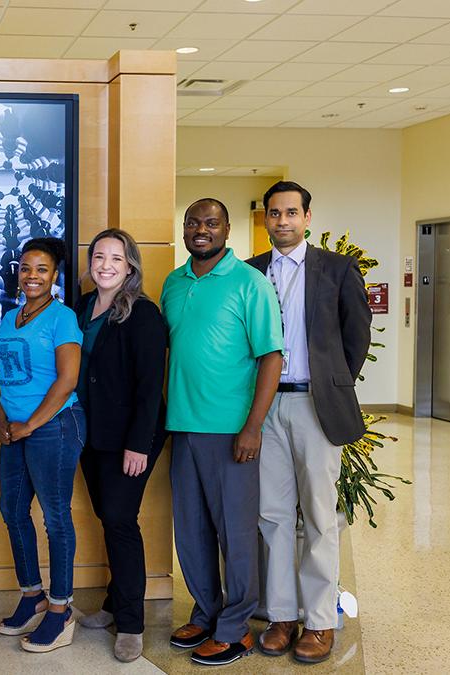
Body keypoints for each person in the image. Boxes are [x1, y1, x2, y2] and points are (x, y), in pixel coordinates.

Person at [247, 182, 372, 664]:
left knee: (319, 517)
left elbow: (355, 336)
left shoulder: (336, 269)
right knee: (272, 515)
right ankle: (281, 616)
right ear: (265, 220)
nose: (282, 221)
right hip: (263, 407)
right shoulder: (251, 271)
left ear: (307, 217)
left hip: (315, 406)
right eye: (274, 214)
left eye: (291, 213)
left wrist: (331, 382)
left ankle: (319, 622)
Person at [161, 198, 283, 667]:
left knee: (235, 532)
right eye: (193, 222)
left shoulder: (251, 283)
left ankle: (235, 630)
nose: (201, 229)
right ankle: (207, 612)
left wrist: (253, 426)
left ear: (227, 229)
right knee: (190, 532)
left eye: (211, 223)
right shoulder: (174, 282)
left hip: (232, 432)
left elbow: (272, 356)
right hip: (182, 427)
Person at [72, 229, 167, 663]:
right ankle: (113, 604)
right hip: (90, 433)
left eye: (116, 258)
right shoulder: (84, 307)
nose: (105, 265)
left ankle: (130, 624)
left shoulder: (143, 314)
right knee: (106, 516)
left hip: (131, 437)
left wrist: (138, 445)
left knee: (120, 520)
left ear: (130, 265)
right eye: (99, 257)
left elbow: (150, 388)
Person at [0, 236, 86, 653]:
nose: (32, 276)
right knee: (11, 509)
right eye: (26, 268)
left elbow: (67, 380)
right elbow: (1, 374)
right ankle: (33, 596)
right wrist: (3, 421)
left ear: (55, 276)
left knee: (55, 517)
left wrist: (30, 424)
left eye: (42, 269)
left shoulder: (62, 318)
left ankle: (61, 611)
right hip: (15, 429)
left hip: (55, 426)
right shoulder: (11, 318)